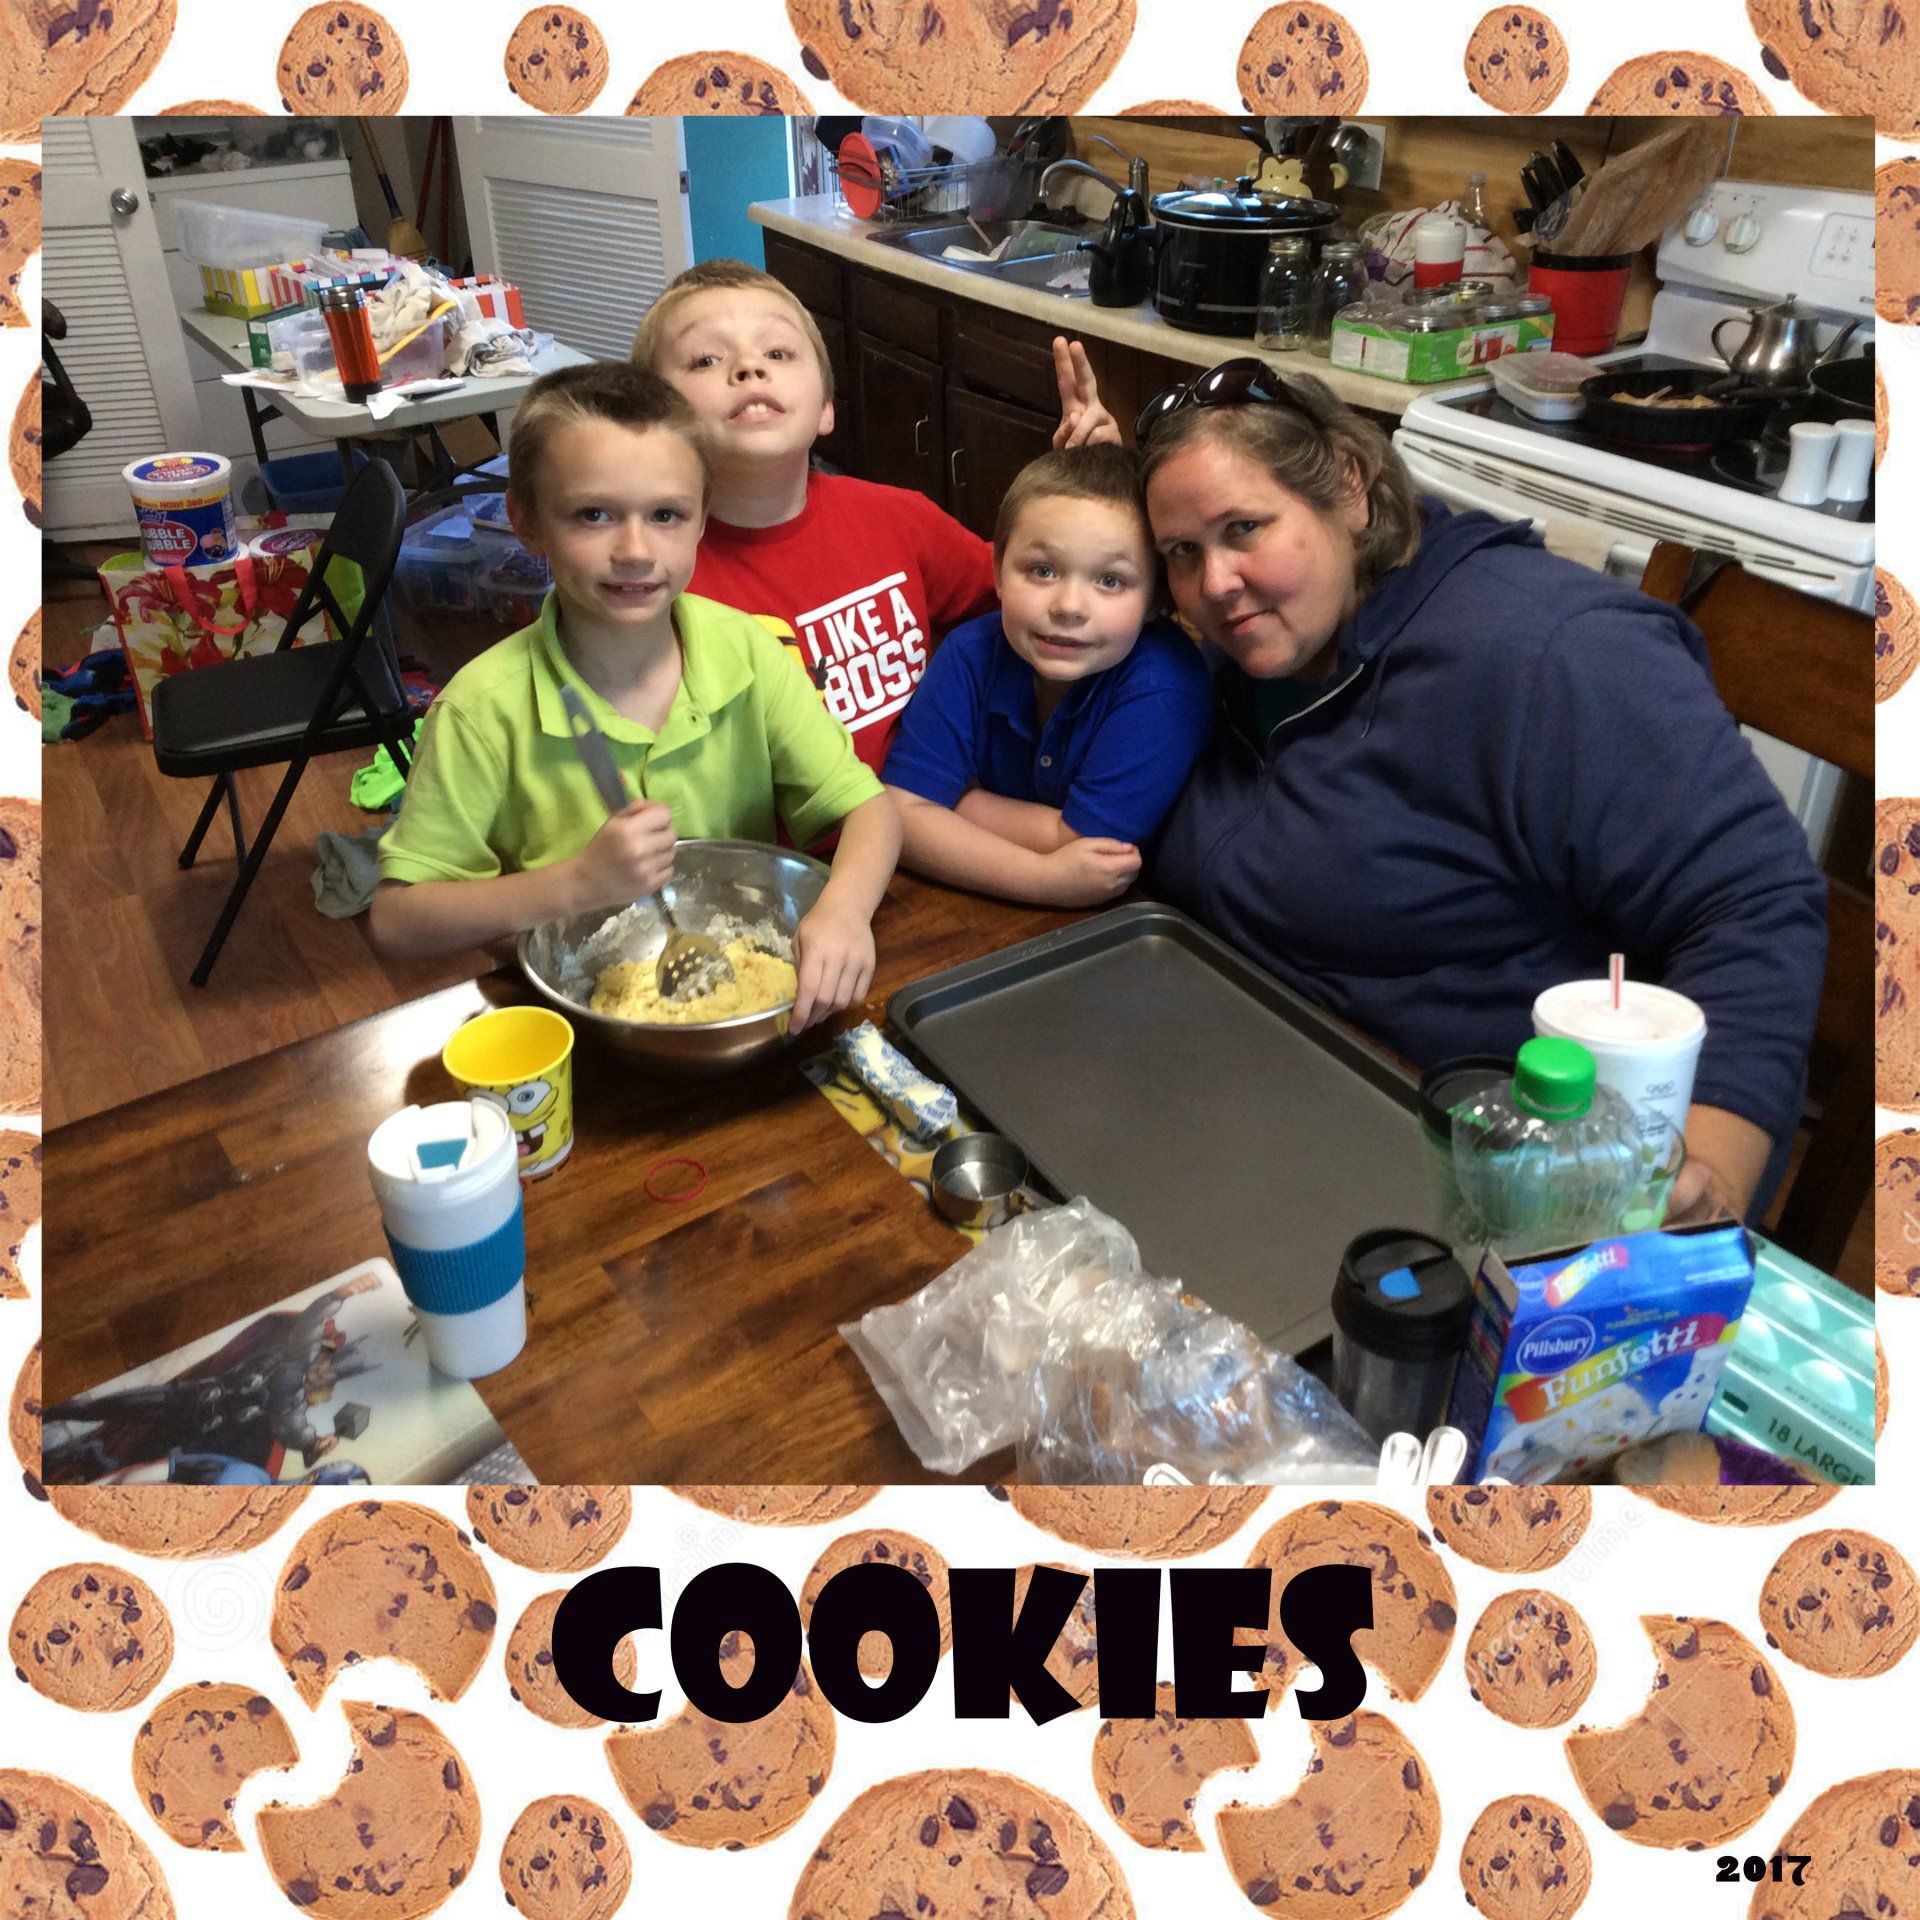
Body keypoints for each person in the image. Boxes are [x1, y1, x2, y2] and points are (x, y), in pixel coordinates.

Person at [1127, 358, 1826, 1221]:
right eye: (1181, 553)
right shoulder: (1226, 659)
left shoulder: (1555, 653)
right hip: (1228, 1094)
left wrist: (1705, 1182)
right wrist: (1098, 550)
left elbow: (1755, 906)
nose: (1214, 584)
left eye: (1245, 528)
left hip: (1464, 1177)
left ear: (1348, 487)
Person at [368, 362, 901, 1031]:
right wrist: (578, 885)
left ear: (703, 518)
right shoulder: (481, 710)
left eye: (666, 515)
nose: (635, 550)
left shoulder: (748, 652)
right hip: (565, 1016)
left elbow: (871, 811)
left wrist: (845, 913)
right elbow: (398, 920)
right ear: (527, 522)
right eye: (593, 515)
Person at [631, 258, 1115, 776]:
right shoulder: (650, 579)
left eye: (777, 352)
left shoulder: (898, 520)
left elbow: (1038, 596)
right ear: (653, 423)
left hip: (934, 803)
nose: (749, 368)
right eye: (705, 359)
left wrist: (1089, 493)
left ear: (826, 407)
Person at [881, 443, 1212, 907]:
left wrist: (959, 802)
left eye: (1110, 580)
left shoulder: (1165, 685)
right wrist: (1042, 877)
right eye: (1042, 570)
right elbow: (898, 813)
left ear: (1156, 598)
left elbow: (1090, 848)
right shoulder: (969, 654)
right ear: (998, 572)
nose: (1069, 606)